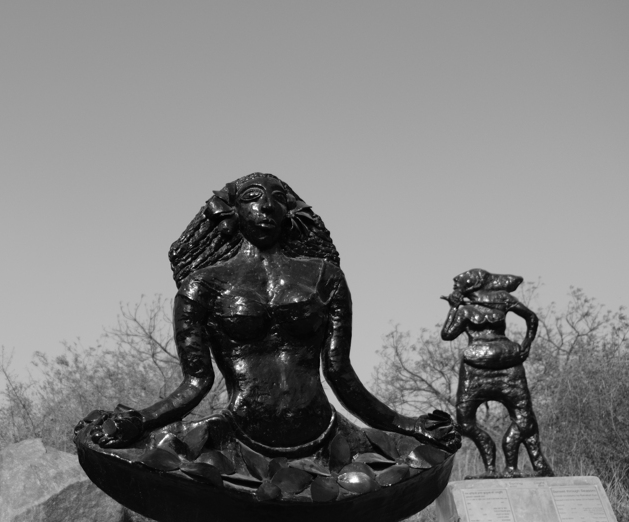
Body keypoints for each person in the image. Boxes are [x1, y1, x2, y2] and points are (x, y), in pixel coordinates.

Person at [94, 172, 459, 460]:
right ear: (232, 213)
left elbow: (340, 372)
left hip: (326, 433)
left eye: (278, 198)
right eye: (252, 198)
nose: (266, 205)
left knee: (413, 461)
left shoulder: (324, 276)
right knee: (137, 453)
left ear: (289, 213)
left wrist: (409, 425)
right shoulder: (201, 286)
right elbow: (196, 382)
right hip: (237, 433)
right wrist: (138, 420)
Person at [441, 268, 554, 478]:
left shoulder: (501, 299)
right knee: (465, 422)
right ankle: (490, 468)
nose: (455, 286)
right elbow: (447, 334)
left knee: (524, 416)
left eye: (458, 284)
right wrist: (455, 308)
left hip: (508, 366)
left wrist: (526, 345)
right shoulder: (465, 309)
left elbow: (531, 318)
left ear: (471, 284)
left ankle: (517, 466)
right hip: (475, 370)